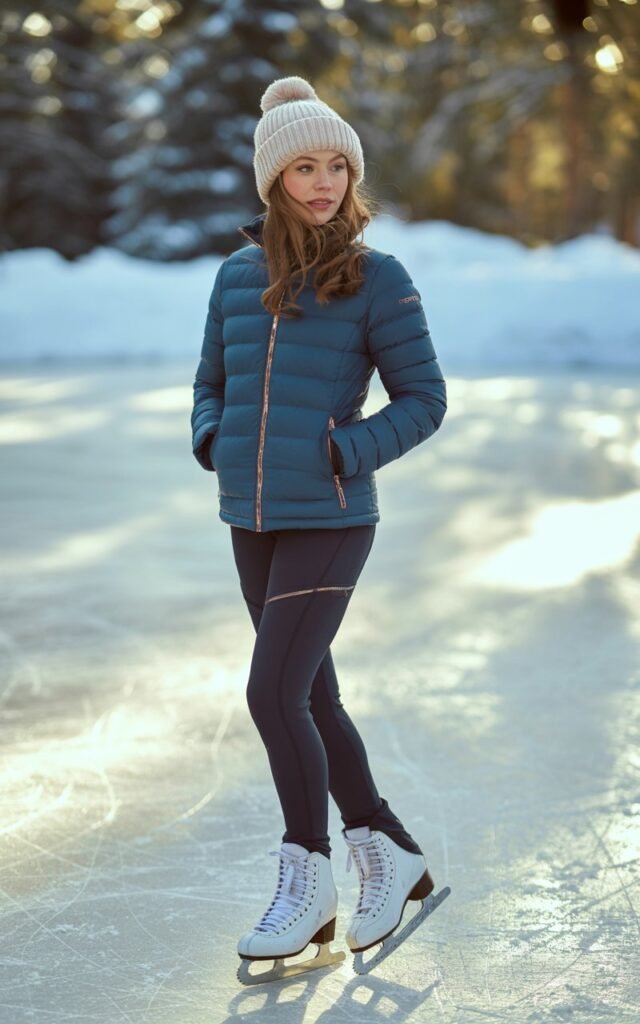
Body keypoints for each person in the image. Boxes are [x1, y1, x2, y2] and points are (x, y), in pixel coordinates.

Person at [190, 75, 448, 983]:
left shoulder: (378, 278)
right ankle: (390, 845)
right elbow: (209, 385)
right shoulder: (233, 276)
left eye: (339, 164)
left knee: (272, 695)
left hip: (332, 515)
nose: (325, 181)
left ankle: (311, 882)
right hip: (250, 517)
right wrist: (212, 440)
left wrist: (348, 451)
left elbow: (425, 399)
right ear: (273, 178)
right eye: (305, 165)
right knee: (311, 697)